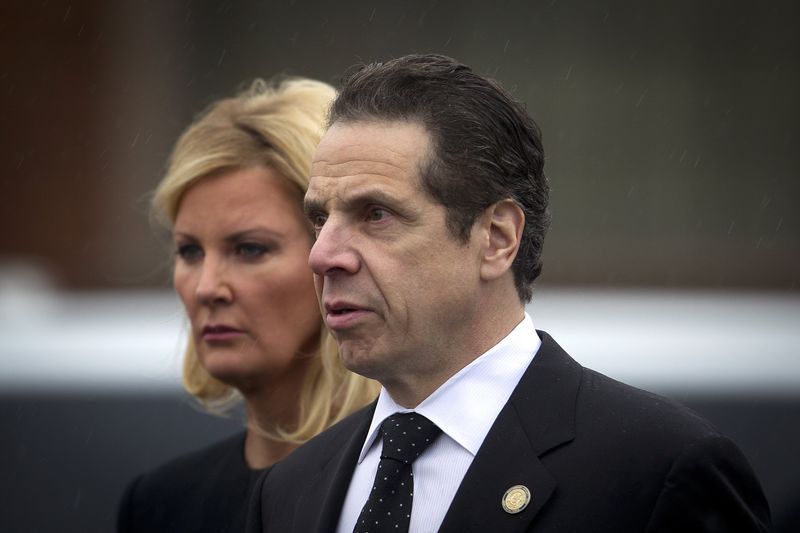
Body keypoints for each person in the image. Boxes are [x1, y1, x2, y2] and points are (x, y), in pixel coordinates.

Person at [246, 55, 771, 532]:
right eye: (319, 218)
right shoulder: (288, 491)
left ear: (497, 238)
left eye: (376, 214)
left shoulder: (657, 470)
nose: (321, 255)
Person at [116, 77, 379, 533]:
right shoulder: (162, 503)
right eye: (189, 251)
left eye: (250, 249)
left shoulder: (411, 489)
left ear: (335, 254)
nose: (206, 287)